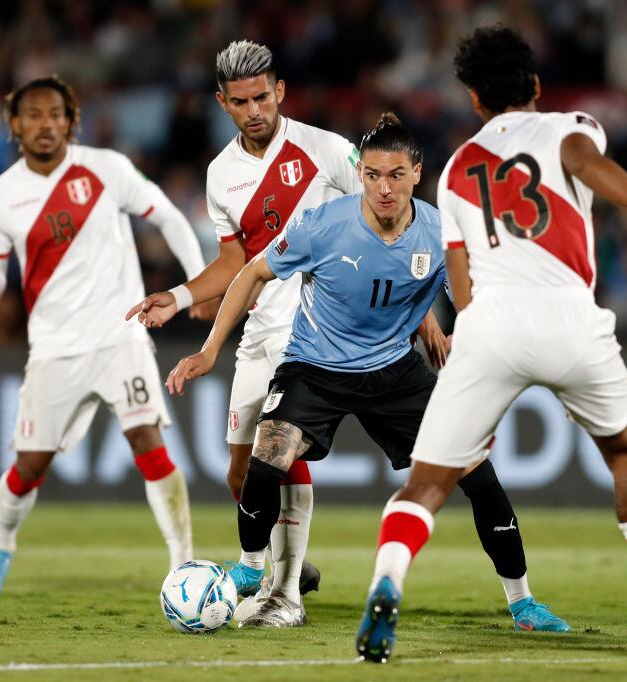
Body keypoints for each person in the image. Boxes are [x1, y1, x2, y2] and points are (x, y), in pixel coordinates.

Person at [356, 26, 627, 662]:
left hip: (491, 323)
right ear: (537, 86)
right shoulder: (565, 127)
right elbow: (587, 164)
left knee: (428, 484)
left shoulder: (458, 167)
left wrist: (479, 356)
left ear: (473, 99)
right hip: (571, 318)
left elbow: (460, 277)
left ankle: (386, 584)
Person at [157, 113, 569, 634]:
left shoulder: (442, 233)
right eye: (372, 175)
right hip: (314, 366)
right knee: (265, 460)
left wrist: (452, 333)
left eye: (396, 175)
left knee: (479, 476)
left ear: (417, 173)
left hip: (394, 372)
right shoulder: (324, 224)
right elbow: (252, 272)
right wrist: (211, 348)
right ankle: (250, 570)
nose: (383, 188)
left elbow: (474, 294)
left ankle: (523, 602)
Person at [127, 40, 375, 625]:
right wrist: (181, 296)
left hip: (318, 328)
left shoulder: (327, 150)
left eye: (262, 96)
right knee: (240, 471)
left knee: (280, 453)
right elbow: (235, 263)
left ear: (280, 91)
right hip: (259, 327)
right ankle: (290, 564)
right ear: (222, 102)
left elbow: (388, 209)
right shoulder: (221, 175)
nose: (254, 110)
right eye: (240, 102)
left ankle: (284, 593)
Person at [0, 76, 206, 596]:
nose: (45, 124)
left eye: (56, 114)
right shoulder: (1, 194)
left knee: (149, 442)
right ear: (15, 125)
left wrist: (197, 283)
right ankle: (3, 543)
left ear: (70, 121)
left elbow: (166, 214)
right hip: (54, 347)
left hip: (121, 335)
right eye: (33, 115)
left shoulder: (106, 168)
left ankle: (182, 566)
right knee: (29, 466)